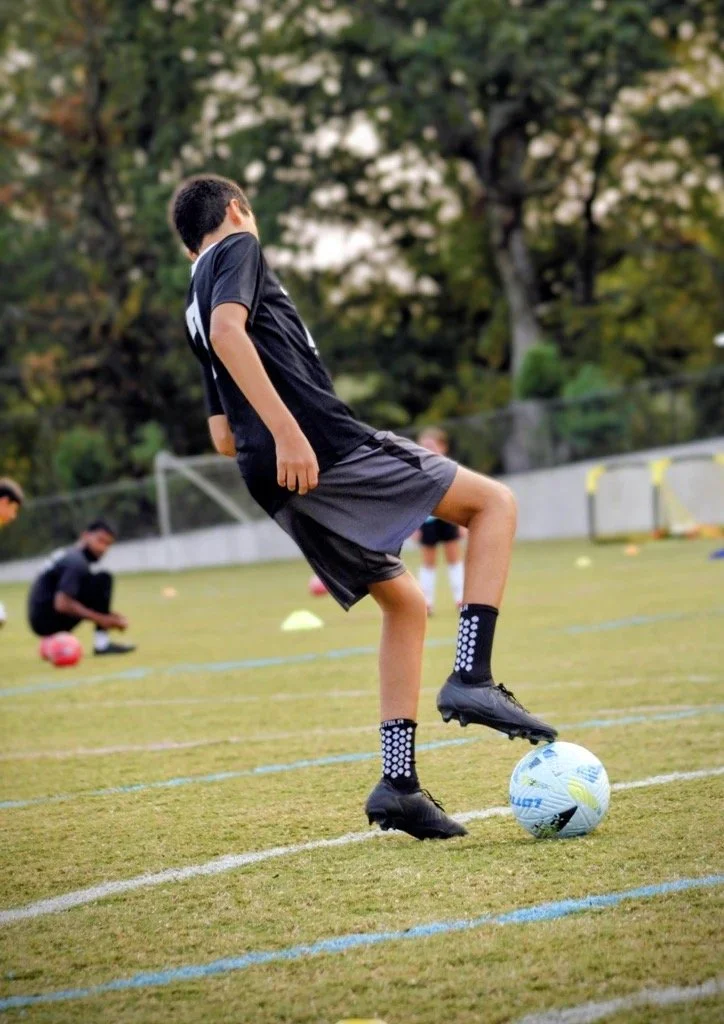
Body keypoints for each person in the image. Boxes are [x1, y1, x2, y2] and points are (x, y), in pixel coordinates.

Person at [169, 174, 557, 841]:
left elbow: (221, 434)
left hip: (268, 473)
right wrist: (292, 430)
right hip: (320, 445)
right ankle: (472, 673)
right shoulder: (238, 248)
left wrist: (274, 442)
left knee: (404, 603)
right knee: (494, 504)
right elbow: (234, 335)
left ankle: (398, 785)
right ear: (237, 211)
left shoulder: (192, 297)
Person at [27, 519, 135, 655]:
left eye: (108, 544)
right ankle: (102, 644)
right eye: (100, 541)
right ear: (85, 536)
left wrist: (108, 616)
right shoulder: (76, 562)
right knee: (103, 579)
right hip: (47, 620)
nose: (103, 549)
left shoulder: (69, 554)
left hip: (39, 617)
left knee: (96, 583)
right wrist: (102, 619)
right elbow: (62, 604)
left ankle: (53, 643)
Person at [413, 429, 465, 614]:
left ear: (443, 447)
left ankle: (461, 599)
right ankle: (426, 603)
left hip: (448, 519)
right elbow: (414, 500)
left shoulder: (450, 468)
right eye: (424, 446)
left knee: (454, 558)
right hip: (426, 522)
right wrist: (414, 527)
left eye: (432, 446)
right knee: (428, 562)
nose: (427, 450)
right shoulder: (416, 470)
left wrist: (461, 522)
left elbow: (459, 496)